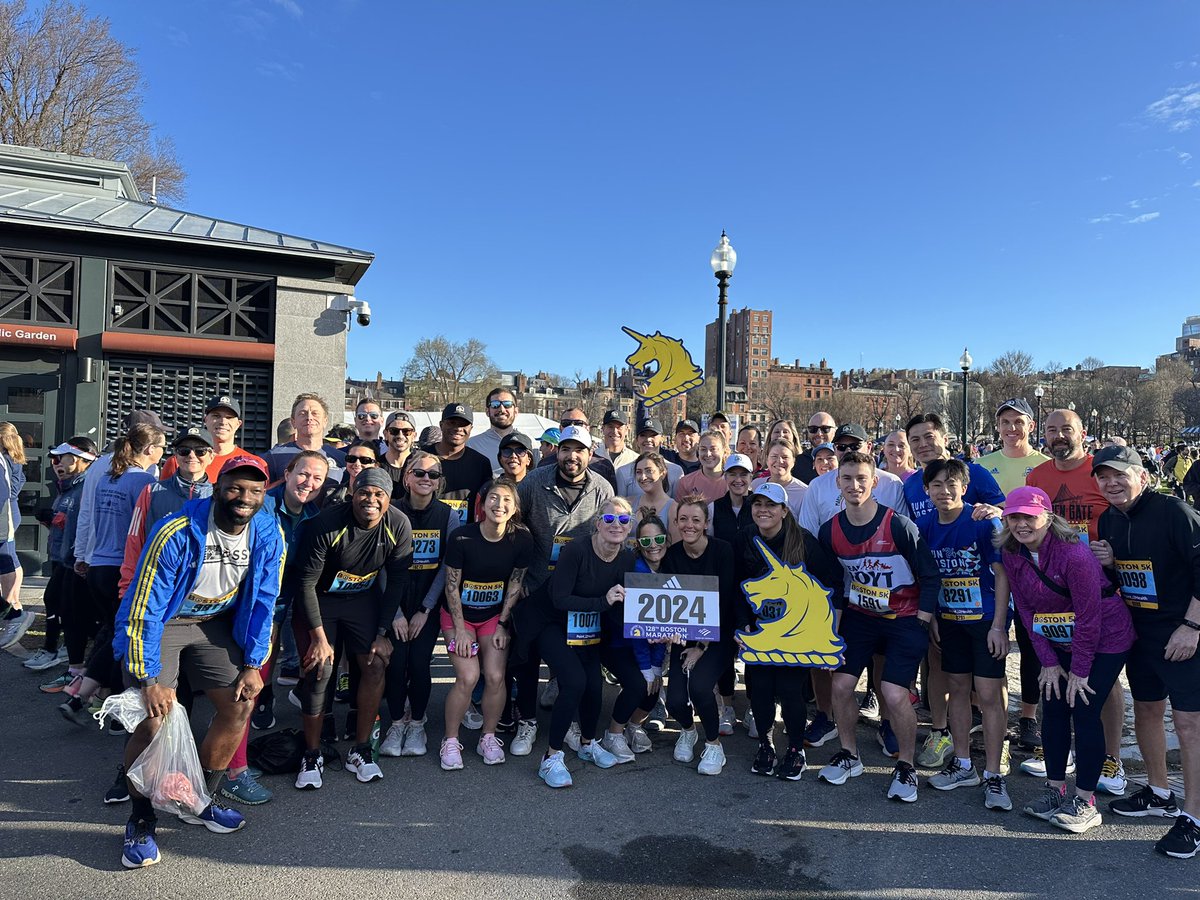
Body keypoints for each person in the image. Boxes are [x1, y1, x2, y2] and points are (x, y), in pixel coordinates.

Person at [112, 455, 284, 869]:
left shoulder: (267, 531)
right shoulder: (177, 529)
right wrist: (147, 676)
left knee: (240, 703)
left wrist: (253, 663)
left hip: (214, 622)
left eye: (255, 490)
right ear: (218, 486)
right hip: (166, 620)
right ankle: (140, 820)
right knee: (153, 718)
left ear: (264, 495)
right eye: (235, 488)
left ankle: (198, 799)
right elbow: (145, 607)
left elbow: (264, 599)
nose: (244, 498)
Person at [999, 485, 1134, 835]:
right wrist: (1047, 661)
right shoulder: (1012, 553)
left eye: (1029, 516)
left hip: (1105, 637)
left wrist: (1079, 670)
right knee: (1054, 705)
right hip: (1057, 636)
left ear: (1047, 516)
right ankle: (1056, 790)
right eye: (1014, 516)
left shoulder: (1073, 554)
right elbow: (1025, 608)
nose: (1021, 524)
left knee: (1085, 707)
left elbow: (1090, 617)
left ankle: (1086, 801)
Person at [1090, 445, 1200, 857]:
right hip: (1142, 632)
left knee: (1189, 725)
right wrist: (1109, 564)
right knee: (1148, 710)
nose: (1111, 482)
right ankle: (1158, 792)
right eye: (1103, 476)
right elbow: (1131, 577)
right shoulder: (1109, 519)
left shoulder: (1174, 512)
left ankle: (1194, 817)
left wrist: (1192, 627)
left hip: (1183, 631)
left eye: (1120, 474)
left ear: (1144, 476)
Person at [816, 451, 940, 803]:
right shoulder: (831, 531)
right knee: (840, 685)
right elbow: (835, 584)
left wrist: (923, 620)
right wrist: (832, 631)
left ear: (874, 482)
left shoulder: (899, 525)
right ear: (838, 483)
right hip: (860, 618)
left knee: (894, 693)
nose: (854, 485)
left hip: (904, 619)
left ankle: (905, 766)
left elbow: (929, 575)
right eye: (847, 478)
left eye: (861, 478)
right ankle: (849, 754)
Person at [292, 467, 413, 789]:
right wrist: (318, 637)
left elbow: (397, 581)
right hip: (321, 598)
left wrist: (382, 633)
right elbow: (304, 583)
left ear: (389, 500)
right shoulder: (326, 524)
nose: (370, 500)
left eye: (379, 495)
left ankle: (361, 750)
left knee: (374, 664)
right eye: (364, 492)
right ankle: (312, 752)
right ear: (352, 494)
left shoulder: (398, 525)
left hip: (362, 598)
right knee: (320, 668)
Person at [1025, 408, 1126, 789]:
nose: (1059, 436)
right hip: (1053, 590)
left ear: (1083, 432)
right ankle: (1062, 752)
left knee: (1106, 679)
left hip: (1100, 585)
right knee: (1060, 670)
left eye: (1066, 429)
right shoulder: (1038, 476)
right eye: (1052, 430)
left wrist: (1114, 555)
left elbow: (1121, 517)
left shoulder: (1099, 471)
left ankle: (1111, 758)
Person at [512, 425, 616, 774]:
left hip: (581, 595)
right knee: (527, 663)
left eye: (579, 450)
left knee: (586, 674)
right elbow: (515, 525)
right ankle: (527, 722)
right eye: (566, 449)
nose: (572, 456)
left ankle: (584, 738)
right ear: (557, 451)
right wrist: (520, 577)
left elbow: (607, 535)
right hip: (538, 590)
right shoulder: (533, 482)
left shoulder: (602, 488)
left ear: (591, 454)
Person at [905, 412, 1005, 767]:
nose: (923, 444)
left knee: (991, 687)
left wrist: (999, 624)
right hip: (945, 611)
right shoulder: (914, 495)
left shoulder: (975, 481)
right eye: (915, 439)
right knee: (948, 678)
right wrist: (928, 613)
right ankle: (949, 745)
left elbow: (1004, 553)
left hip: (984, 611)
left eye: (929, 436)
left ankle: (996, 755)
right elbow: (921, 564)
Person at [916, 459, 1012, 811]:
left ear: (964, 486)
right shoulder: (924, 526)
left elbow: (1002, 575)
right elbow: (928, 577)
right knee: (956, 689)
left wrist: (1000, 625)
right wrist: (935, 617)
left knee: (987, 693)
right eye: (936, 485)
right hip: (951, 620)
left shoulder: (982, 523)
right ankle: (962, 764)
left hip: (986, 621)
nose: (944, 491)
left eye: (951, 483)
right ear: (927, 490)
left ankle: (993, 774)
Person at [59, 423, 166, 724]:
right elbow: (143, 529)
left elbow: (90, 516)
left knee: (111, 631)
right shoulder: (144, 481)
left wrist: (84, 554)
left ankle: (84, 693)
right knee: (123, 637)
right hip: (123, 569)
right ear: (150, 450)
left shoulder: (109, 476)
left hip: (99, 565)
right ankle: (99, 699)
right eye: (162, 446)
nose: (164, 452)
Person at [736, 482, 840, 781]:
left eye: (771, 505)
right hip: (758, 631)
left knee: (791, 690)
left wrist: (824, 632)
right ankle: (767, 744)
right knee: (760, 689)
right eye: (758, 504)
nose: (763, 510)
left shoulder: (803, 542)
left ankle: (796, 748)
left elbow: (830, 583)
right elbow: (736, 586)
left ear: (784, 510)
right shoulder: (744, 537)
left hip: (795, 633)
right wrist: (740, 622)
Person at [538, 498, 644, 785]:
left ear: (630, 526)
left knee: (594, 686)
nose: (616, 525)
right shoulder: (576, 549)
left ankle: (587, 743)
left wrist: (652, 631)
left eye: (623, 521)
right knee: (574, 682)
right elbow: (559, 599)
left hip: (587, 627)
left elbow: (622, 609)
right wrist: (602, 601)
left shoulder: (626, 558)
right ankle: (551, 757)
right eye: (609, 520)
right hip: (551, 622)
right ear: (598, 524)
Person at [438, 477, 534, 771]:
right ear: (482, 503)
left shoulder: (521, 538)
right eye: (493, 498)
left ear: (515, 506)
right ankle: (450, 740)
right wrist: (461, 628)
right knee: (468, 677)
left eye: (506, 500)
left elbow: (515, 584)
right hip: (459, 617)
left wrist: (503, 624)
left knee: (494, 676)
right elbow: (451, 586)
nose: (499, 505)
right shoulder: (462, 537)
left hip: (494, 616)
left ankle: (488, 736)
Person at [379, 451, 458, 758]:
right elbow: (383, 565)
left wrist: (425, 610)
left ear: (440, 483)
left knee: (420, 663)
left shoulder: (447, 515)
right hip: (395, 601)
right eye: (419, 473)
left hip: (428, 602)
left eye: (433, 475)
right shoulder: (391, 511)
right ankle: (397, 722)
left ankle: (418, 723)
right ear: (406, 477)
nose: (426, 479)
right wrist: (396, 613)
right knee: (397, 664)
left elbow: (447, 566)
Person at [660, 495, 739, 775]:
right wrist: (667, 633)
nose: (689, 525)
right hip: (686, 637)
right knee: (675, 701)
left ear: (706, 523)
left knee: (701, 688)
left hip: (718, 636)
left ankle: (714, 744)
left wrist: (702, 646)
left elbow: (725, 602)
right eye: (683, 519)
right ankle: (687, 730)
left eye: (696, 519)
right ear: (676, 522)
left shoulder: (723, 551)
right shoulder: (672, 555)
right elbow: (668, 604)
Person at [254, 451, 329, 729]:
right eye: (303, 474)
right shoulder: (263, 506)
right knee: (265, 648)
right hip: (263, 591)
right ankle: (262, 695)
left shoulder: (314, 516)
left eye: (317, 478)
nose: (309, 482)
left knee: (311, 647)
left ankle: (302, 693)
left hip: (297, 590)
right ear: (287, 474)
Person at [26, 439, 97, 677]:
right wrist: (50, 518)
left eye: (63, 458)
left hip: (74, 561)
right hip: (61, 556)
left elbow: (85, 526)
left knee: (60, 602)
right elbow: (64, 523)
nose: (56, 463)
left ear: (82, 461)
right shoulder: (66, 486)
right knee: (60, 604)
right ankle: (61, 649)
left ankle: (57, 652)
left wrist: (61, 522)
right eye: (55, 459)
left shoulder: (86, 487)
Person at [800, 424, 910, 535]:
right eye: (841, 447)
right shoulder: (817, 486)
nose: (848, 451)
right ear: (834, 449)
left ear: (868, 447)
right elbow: (808, 533)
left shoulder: (892, 483)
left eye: (855, 446)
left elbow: (903, 531)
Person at [159, 396, 260, 482]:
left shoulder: (255, 464)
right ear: (205, 419)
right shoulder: (179, 461)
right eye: (216, 416)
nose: (223, 422)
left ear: (238, 424)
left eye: (229, 417)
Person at [425, 402, 493, 528]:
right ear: (441, 425)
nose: (457, 428)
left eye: (463, 424)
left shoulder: (481, 463)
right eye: (452, 423)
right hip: (427, 532)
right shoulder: (421, 458)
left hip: (466, 537)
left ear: (471, 429)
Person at [265, 394, 345, 489]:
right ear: (293, 422)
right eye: (302, 413)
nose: (309, 418)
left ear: (325, 421)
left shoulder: (342, 459)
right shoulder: (272, 457)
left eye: (315, 413)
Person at [975, 399, 1050, 495]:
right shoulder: (980, 465)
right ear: (998, 426)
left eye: (1018, 422)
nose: (1011, 428)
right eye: (1005, 422)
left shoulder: (1046, 465)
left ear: (1031, 426)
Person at [0, 420, 27, 642]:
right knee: (11, 556)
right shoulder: (15, 456)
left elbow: (8, 489)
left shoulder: (6, 458)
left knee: (7, 557)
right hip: (11, 509)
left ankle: (11, 606)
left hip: (6, 512)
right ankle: (14, 601)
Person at [469, 388, 531, 477]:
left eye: (507, 405)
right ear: (487, 411)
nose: (501, 409)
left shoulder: (529, 442)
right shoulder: (472, 445)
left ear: (516, 411)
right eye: (495, 405)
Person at [616, 418, 684, 499]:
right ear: (637, 440)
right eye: (643, 435)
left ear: (661, 439)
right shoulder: (623, 472)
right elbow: (621, 507)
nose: (648, 439)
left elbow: (677, 506)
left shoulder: (676, 471)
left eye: (653, 435)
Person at [751, 440, 808, 520]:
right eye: (774, 456)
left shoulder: (804, 492)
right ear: (767, 459)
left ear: (793, 461)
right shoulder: (756, 485)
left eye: (785, 457)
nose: (779, 461)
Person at [629, 452, 679, 544]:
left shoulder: (673, 509)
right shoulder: (629, 504)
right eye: (639, 472)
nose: (643, 477)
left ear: (662, 473)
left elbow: (674, 547)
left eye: (649, 471)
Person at [710, 453, 756, 545]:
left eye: (743, 475)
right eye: (733, 474)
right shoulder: (713, 508)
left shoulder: (759, 507)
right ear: (725, 477)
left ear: (751, 478)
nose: (738, 480)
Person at [676, 430, 730, 503]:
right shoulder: (686, 482)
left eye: (713, 449)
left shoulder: (732, 482)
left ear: (724, 451)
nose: (708, 454)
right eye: (703, 449)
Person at [319, 441, 379, 507]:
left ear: (376, 465)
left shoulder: (382, 497)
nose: (357, 464)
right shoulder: (328, 494)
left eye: (365, 460)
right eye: (351, 459)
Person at [379, 410, 417, 498]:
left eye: (406, 431)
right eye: (394, 431)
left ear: (414, 436)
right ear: (385, 434)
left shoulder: (421, 468)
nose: (400, 436)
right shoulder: (376, 466)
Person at [796, 413, 838, 483]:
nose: (819, 433)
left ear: (835, 431)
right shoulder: (798, 462)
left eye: (825, 429)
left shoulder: (845, 460)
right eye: (813, 429)